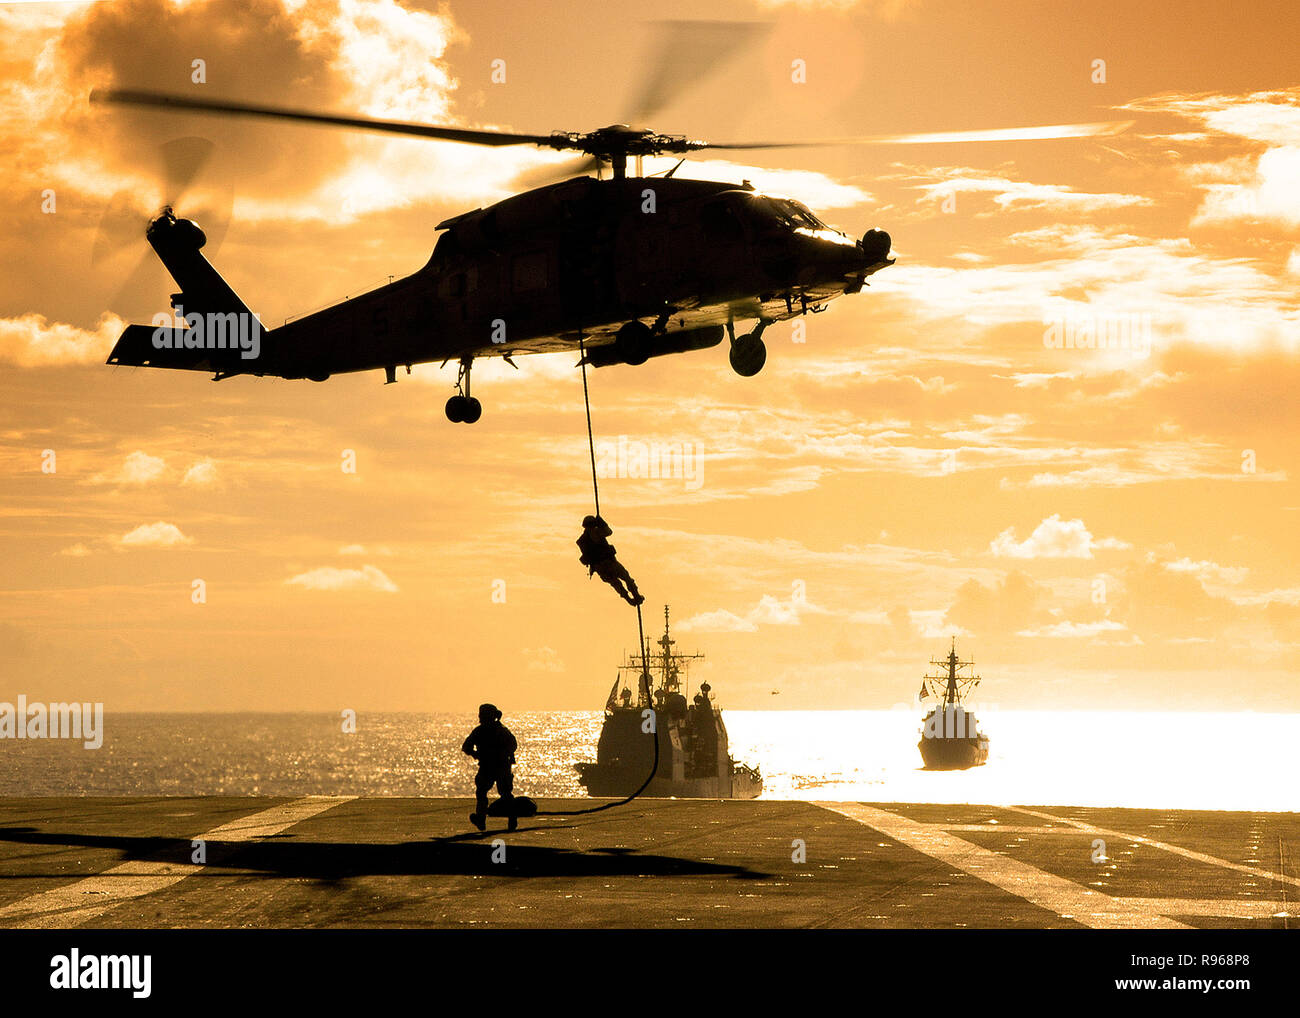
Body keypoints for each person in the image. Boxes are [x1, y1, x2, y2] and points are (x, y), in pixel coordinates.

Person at [462, 703, 518, 832]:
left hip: (489, 766)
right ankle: (511, 818)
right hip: (501, 766)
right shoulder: (502, 730)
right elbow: (513, 745)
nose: (479, 718)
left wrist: (476, 754)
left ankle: (482, 819)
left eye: (481, 715)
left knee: (483, 792)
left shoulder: (480, 731)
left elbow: (466, 747)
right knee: (504, 793)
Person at [577, 514, 644, 606]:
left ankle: (630, 599)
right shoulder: (597, 532)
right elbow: (609, 532)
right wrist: (602, 522)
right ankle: (635, 597)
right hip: (609, 563)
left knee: (617, 584)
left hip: (600, 568)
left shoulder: (581, 540)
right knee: (626, 578)